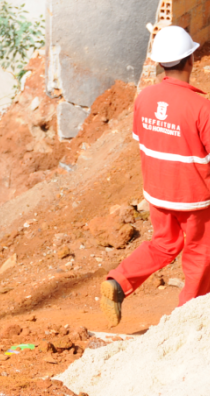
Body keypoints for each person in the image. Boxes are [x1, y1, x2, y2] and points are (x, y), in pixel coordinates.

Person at [101, 26, 210, 327]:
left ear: (161, 63)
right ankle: (189, 321)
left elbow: (144, 140)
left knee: (164, 243)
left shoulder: (145, 98)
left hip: (157, 192)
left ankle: (119, 282)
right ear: (191, 59)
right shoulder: (202, 107)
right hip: (193, 197)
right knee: (201, 252)